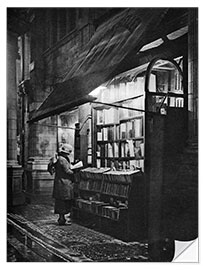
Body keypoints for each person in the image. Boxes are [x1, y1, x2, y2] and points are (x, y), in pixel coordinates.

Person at [49, 143, 74, 226]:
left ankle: (61, 218)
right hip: (64, 183)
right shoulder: (62, 159)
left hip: (60, 182)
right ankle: (62, 219)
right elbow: (67, 171)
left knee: (60, 201)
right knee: (64, 201)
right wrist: (75, 171)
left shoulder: (58, 158)